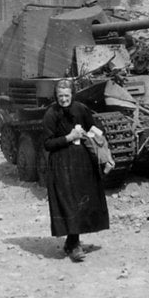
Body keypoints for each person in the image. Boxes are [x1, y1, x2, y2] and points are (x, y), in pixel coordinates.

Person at [42, 78, 109, 262]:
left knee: (81, 201)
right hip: (61, 164)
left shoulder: (80, 109)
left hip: (81, 163)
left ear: (72, 94)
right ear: (56, 96)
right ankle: (74, 245)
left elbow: (94, 126)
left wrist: (98, 138)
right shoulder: (51, 113)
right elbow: (47, 144)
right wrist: (69, 137)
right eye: (60, 96)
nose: (63, 99)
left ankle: (72, 242)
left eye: (66, 95)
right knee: (68, 202)